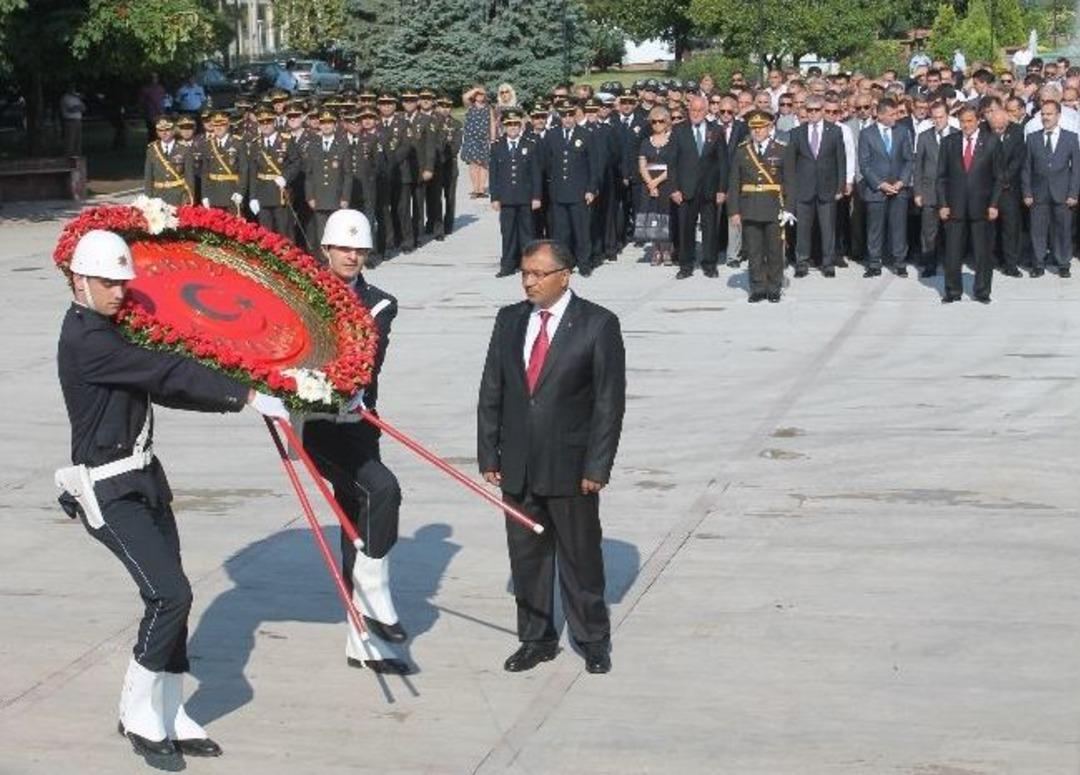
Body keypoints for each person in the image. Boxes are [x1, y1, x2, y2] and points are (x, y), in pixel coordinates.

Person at [56, 229, 289, 760]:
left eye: (122, 282)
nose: (119, 291)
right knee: (170, 595)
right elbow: (166, 370)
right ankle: (136, 714)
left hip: (144, 480)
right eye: (107, 282)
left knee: (174, 598)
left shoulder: (109, 332)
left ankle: (170, 708)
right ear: (79, 280)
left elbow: (164, 385)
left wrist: (241, 401)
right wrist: (245, 393)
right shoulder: (87, 339)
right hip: (109, 489)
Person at [477, 239, 625, 675]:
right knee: (527, 560)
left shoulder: (597, 325)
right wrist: (490, 451)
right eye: (525, 273)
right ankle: (536, 639)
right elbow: (492, 389)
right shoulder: (509, 321)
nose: (529, 282)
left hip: (572, 468)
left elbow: (607, 403)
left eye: (538, 274)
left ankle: (592, 639)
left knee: (581, 559)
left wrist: (597, 466)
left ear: (565, 275)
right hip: (518, 465)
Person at [300, 209, 409, 674]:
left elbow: (367, 361)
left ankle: (362, 639)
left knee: (357, 519)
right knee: (382, 490)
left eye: (360, 250)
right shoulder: (299, 294)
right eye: (344, 248)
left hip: (360, 420)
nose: (352, 256)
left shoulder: (381, 303)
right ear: (325, 250)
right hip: (315, 424)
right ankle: (371, 595)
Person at [936, 104, 1003, 303]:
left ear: (978, 121)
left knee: (983, 254)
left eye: (970, 121)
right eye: (963, 121)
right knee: (952, 253)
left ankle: (982, 291)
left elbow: (999, 177)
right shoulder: (949, 142)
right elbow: (941, 177)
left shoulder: (991, 142)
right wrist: (943, 204)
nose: (966, 125)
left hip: (982, 207)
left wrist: (994, 204)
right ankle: (952, 291)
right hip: (955, 207)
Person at [727, 110, 790, 302]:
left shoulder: (781, 150)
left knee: (774, 251)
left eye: (761, 127)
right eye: (754, 128)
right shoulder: (742, 151)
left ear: (770, 128)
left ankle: (774, 287)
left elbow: (790, 182)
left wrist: (788, 208)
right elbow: (734, 183)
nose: (757, 131)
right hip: (750, 207)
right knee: (754, 251)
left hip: (773, 207)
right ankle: (757, 288)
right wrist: (734, 211)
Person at [783, 94, 847, 277]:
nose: (812, 114)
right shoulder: (797, 133)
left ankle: (828, 263)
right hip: (804, 189)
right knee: (803, 229)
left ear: (822, 110)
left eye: (816, 110)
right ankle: (801, 262)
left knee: (828, 228)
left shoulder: (834, 131)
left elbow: (840, 161)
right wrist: (791, 191)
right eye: (809, 110)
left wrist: (840, 186)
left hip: (827, 188)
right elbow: (791, 164)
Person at [668, 95, 726, 279]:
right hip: (686, 189)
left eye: (700, 110)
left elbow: (723, 163)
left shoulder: (716, 130)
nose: (696, 113)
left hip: (709, 189)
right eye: (693, 110)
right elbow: (672, 163)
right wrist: (674, 188)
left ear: (707, 110)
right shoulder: (678, 130)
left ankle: (709, 264)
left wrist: (722, 189)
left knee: (710, 229)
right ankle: (686, 265)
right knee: (686, 228)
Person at [1022, 99, 1080, 278]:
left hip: (1062, 193)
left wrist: (1073, 193)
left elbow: (1076, 168)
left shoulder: (1070, 138)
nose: (1046, 117)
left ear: (1058, 115)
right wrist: (1027, 192)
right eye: (1043, 114)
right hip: (1038, 194)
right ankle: (1038, 263)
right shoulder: (1032, 138)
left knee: (1063, 229)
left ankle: (1063, 263)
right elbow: (1026, 167)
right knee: (1037, 230)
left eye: (1050, 114)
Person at [858, 97, 914, 277]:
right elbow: (864, 164)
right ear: (880, 115)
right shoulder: (867, 134)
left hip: (898, 188)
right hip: (876, 190)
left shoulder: (903, 131)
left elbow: (908, 159)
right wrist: (880, 184)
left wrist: (901, 181)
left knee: (898, 227)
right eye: (891, 114)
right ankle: (874, 262)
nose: (895, 118)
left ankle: (899, 262)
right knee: (875, 228)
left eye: (897, 113)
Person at [542, 99, 598, 275]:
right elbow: (547, 163)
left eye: (570, 115)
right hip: (559, 191)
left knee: (581, 231)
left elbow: (593, 165)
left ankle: (584, 264)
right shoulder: (552, 135)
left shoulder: (586, 134)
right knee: (561, 233)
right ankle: (564, 265)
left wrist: (591, 189)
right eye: (564, 115)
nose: (567, 119)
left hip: (579, 192)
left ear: (575, 115)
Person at [490, 108, 541, 277]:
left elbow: (535, 174)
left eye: (516, 125)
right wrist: (495, 197)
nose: (512, 128)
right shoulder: (497, 146)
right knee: (508, 233)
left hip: (525, 197)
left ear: (521, 126)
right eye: (509, 125)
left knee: (527, 233)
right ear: (504, 127)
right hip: (506, 197)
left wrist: (536, 196)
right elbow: (494, 174)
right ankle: (508, 265)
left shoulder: (530, 144)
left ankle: (528, 266)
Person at [913, 102, 955, 278]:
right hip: (929, 191)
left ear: (948, 116)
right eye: (935, 117)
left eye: (941, 117)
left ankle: (950, 264)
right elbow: (918, 167)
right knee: (928, 231)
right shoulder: (923, 137)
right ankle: (929, 263)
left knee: (951, 232)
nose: (938, 121)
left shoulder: (957, 135)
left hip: (951, 193)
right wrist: (917, 192)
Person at [249, 104, 300, 237]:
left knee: (285, 232)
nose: (265, 125)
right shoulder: (255, 144)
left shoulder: (286, 140)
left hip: (280, 193)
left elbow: (296, 163)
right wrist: (253, 197)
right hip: (263, 194)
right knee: (266, 234)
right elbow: (253, 173)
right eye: (262, 123)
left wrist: (285, 177)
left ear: (274, 122)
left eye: (269, 122)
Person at [305, 109, 353, 251]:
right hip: (319, 197)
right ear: (319, 125)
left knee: (337, 231)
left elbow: (348, 175)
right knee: (321, 233)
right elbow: (309, 175)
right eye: (323, 123)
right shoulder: (313, 145)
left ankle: (336, 260)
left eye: (330, 123)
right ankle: (323, 262)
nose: (326, 126)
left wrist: (345, 197)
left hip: (336, 198)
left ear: (335, 125)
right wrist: (310, 196)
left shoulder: (343, 145)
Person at [637, 106, 676, 266]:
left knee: (666, 216)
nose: (657, 124)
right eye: (654, 122)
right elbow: (642, 163)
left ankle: (667, 249)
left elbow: (674, 165)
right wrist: (650, 183)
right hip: (649, 182)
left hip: (667, 181)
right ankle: (656, 250)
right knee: (653, 216)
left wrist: (657, 181)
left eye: (661, 121)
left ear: (667, 122)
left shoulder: (673, 141)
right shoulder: (646, 141)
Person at [200, 111, 248, 215]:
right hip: (213, 193)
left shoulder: (238, 142)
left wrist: (240, 192)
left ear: (228, 125)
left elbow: (244, 170)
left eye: (222, 124)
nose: (218, 128)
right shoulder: (207, 144)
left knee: (234, 228)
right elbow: (205, 172)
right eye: (215, 125)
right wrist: (204, 195)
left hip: (232, 192)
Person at [143, 116, 195, 206]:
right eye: (161, 130)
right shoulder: (152, 150)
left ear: (173, 130)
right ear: (157, 132)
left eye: (167, 129)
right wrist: (148, 197)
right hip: (157, 196)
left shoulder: (184, 149)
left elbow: (189, 177)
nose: (164, 133)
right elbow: (148, 177)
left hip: (178, 195)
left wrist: (189, 197)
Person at [436, 95, 463, 236]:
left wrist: (440, 155)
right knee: (436, 198)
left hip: (450, 166)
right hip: (435, 166)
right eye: (441, 106)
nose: (444, 109)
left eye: (447, 106)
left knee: (450, 197)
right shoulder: (432, 123)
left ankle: (448, 224)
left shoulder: (456, 125)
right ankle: (437, 226)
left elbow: (456, 146)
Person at [461, 86, 495, 198]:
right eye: (478, 94)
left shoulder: (488, 108)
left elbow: (492, 123)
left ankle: (481, 189)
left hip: (484, 139)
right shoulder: (470, 105)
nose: (480, 96)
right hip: (471, 139)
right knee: (474, 164)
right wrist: (476, 89)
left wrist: (493, 138)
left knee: (484, 164)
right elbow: (465, 97)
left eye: (482, 94)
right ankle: (475, 189)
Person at [138, 73, 167, 140]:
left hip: (160, 113)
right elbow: (141, 102)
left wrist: (163, 111)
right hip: (150, 114)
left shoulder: (161, 88)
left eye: (155, 77)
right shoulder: (145, 89)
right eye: (152, 77)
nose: (153, 79)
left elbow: (164, 100)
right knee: (152, 133)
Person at [59, 86, 86, 156]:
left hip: (78, 120)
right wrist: (78, 107)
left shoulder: (77, 98)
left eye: (74, 88)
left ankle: (78, 155)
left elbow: (83, 108)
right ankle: (68, 155)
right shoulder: (65, 98)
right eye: (71, 88)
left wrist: (79, 106)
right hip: (70, 121)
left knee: (78, 140)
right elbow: (71, 109)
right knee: (70, 140)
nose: (73, 90)